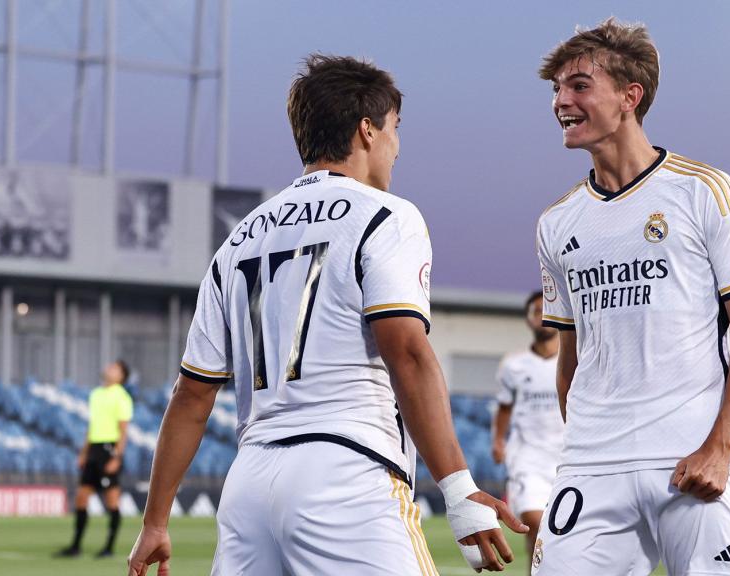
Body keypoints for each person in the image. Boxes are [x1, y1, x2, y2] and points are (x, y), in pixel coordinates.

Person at [127, 55, 525, 576]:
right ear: (367, 129)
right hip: (346, 472)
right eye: (394, 128)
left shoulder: (237, 239)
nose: (397, 146)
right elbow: (405, 351)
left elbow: (193, 394)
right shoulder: (385, 214)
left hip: (248, 485)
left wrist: (155, 521)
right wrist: (457, 489)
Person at [533, 18, 730, 575]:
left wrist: (720, 446)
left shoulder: (705, 191)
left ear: (629, 96)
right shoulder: (556, 222)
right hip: (591, 467)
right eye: (556, 90)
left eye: (578, 86)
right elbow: (569, 361)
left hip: (691, 462)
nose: (560, 102)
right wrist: (587, 449)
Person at [491, 291, 563, 573]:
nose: (541, 316)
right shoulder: (513, 365)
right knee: (536, 521)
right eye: (535, 311)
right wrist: (498, 440)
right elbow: (505, 407)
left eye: (546, 310)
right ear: (528, 319)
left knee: (556, 532)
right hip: (527, 458)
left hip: (566, 458)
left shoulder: (577, 359)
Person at [57, 360, 133, 558]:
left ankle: (109, 547)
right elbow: (93, 426)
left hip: (109, 450)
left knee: (111, 502)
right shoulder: (96, 395)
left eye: (114, 367)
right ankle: (76, 546)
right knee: (81, 498)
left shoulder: (122, 397)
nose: (108, 368)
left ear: (121, 376)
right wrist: (84, 452)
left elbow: (123, 431)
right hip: (94, 450)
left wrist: (117, 457)